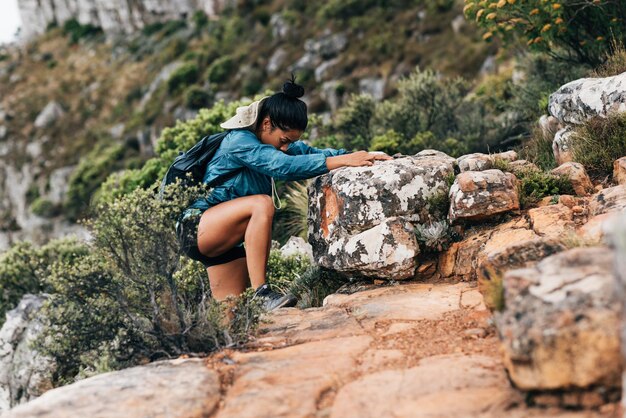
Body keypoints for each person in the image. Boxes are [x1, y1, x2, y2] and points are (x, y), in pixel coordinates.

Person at [176, 77, 391, 310]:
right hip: (197, 226)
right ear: (267, 124)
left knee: (232, 319)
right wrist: (341, 160)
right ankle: (262, 294)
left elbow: (309, 153)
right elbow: (283, 166)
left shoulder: (273, 143)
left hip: (225, 241)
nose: (285, 147)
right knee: (261, 204)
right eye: (284, 140)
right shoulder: (239, 141)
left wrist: (358, 155)